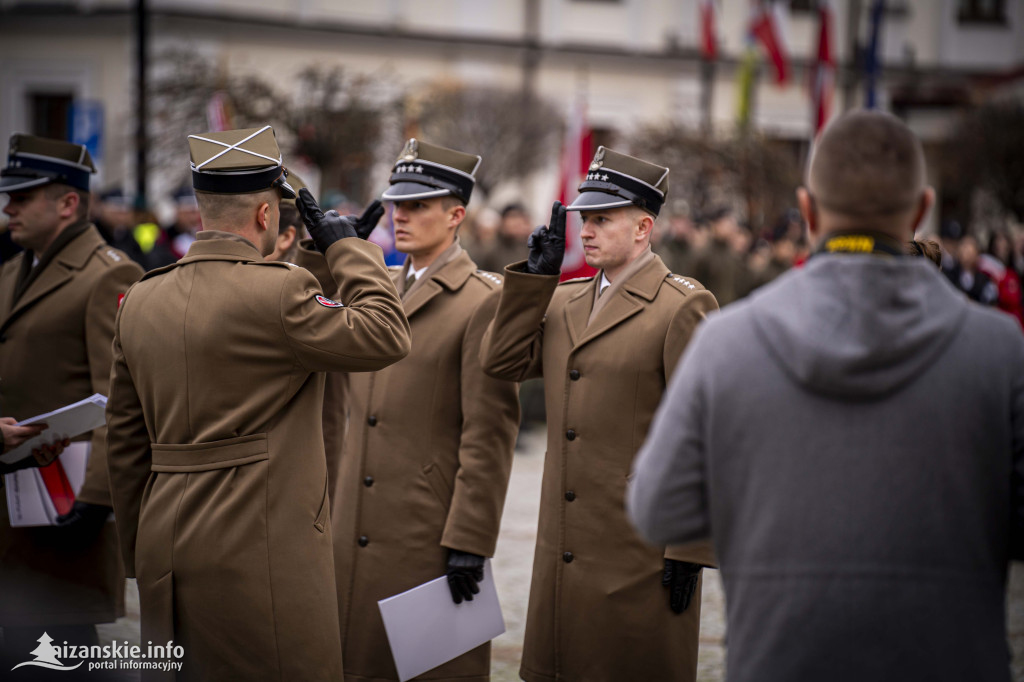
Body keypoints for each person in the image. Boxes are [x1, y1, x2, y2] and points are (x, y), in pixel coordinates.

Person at [627, 110, 1024, 682]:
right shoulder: (1000, 351)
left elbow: (658, 506)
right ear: (919, 212)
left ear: (808, 212)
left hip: (782, 657)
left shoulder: (727, 342)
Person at [105, 125, 411, 681]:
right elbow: (387, 335)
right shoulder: (281, 290)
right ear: (269, 216)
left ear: (201, 208)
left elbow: (124, 443)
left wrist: (139, 555)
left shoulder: (141, 298)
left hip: (163, 548)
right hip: (261, 550)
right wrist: (347, 247)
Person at [480, 146, 719, 682]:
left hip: (638, 550)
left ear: (642, 228)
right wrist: (532, 283)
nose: (586, 231)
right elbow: (501, 361)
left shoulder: (681, 305)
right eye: (584, 220)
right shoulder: (564, 301)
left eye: (602, 220)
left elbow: (708, 429)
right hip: (564, 547)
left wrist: (691, 547)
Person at [326, 138, 520, 682]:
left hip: (425, 530)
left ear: (456, 215)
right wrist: (331, 253)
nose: (400, 215)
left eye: (418, 206)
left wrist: (470, 540)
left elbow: (490, 430)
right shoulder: (379, 286)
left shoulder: (482, 300)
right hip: (355, 520)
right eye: (396, 204)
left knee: (427, 672)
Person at [0, 134, 141, 664]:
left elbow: (121, 395)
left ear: (67, 203)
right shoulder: (14, 269)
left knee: (53, 653)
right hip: (14, 508)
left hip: (61, 508)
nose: (8, 206)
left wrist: (96, 498)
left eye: (23, 195)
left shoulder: (108, 274)